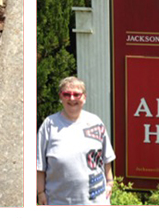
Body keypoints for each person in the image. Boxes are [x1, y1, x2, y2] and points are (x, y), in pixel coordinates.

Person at [37, 76, 115, 205]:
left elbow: (107, 158)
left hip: (95, 202)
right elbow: (39, 165)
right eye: (67, 94)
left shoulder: (95, 122)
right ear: (61, 97)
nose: (72, 98)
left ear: (84, 97)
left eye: (76, 94)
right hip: (59, 202)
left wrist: (110, 183)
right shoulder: (49, 124)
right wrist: (40, 193)